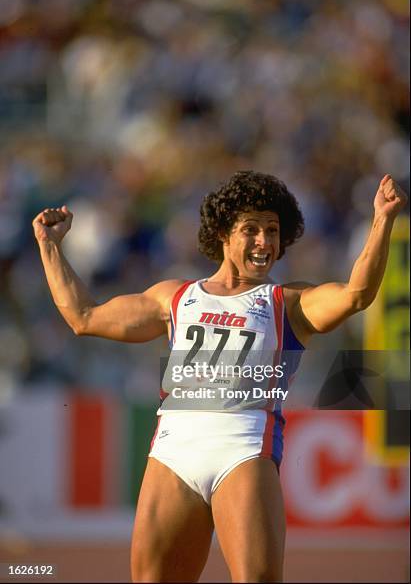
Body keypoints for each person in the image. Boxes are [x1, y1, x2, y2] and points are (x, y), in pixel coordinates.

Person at [33, 170, 407, 583]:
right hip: (173, 455)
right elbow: (83, 318)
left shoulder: (289, 302)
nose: (265, 241)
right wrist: (49, 246)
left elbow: (356, 294)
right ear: (224, 234)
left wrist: (382, 219)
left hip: (243, 451)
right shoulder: (175, 297)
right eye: (252, 229)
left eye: (273, 230)